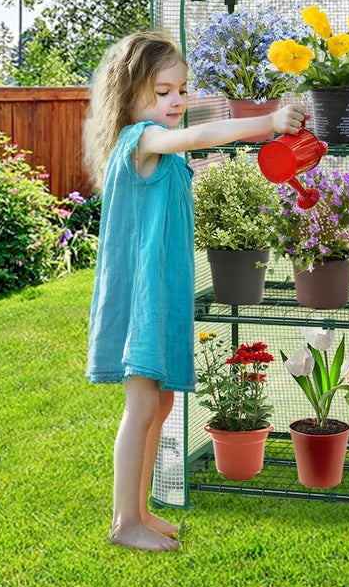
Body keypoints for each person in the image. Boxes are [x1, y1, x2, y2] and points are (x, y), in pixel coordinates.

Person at [82, 31, 304, 551]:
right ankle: (124, 522)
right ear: (131, 95)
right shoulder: (142, 140)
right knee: (140, 409)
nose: (176, 101)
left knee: (159, 407)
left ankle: (140, 510)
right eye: (162, 92)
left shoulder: (161, 153)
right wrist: (266, 123)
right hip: (142, 299)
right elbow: (201, 138)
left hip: (162, 293)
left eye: (181, 90)